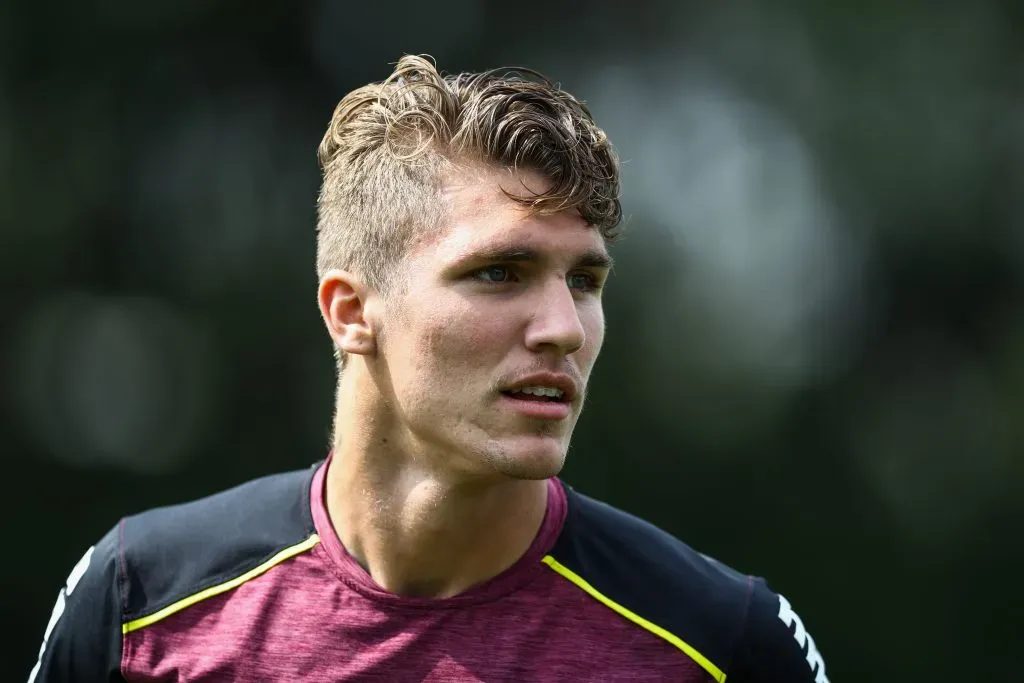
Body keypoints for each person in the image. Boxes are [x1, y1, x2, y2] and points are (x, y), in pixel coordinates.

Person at [28, 55, 830, 683]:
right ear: (350, 311)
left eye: (584, 281)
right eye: (499, 272)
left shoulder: (722, 643)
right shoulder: (140, 605)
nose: (562, 329)